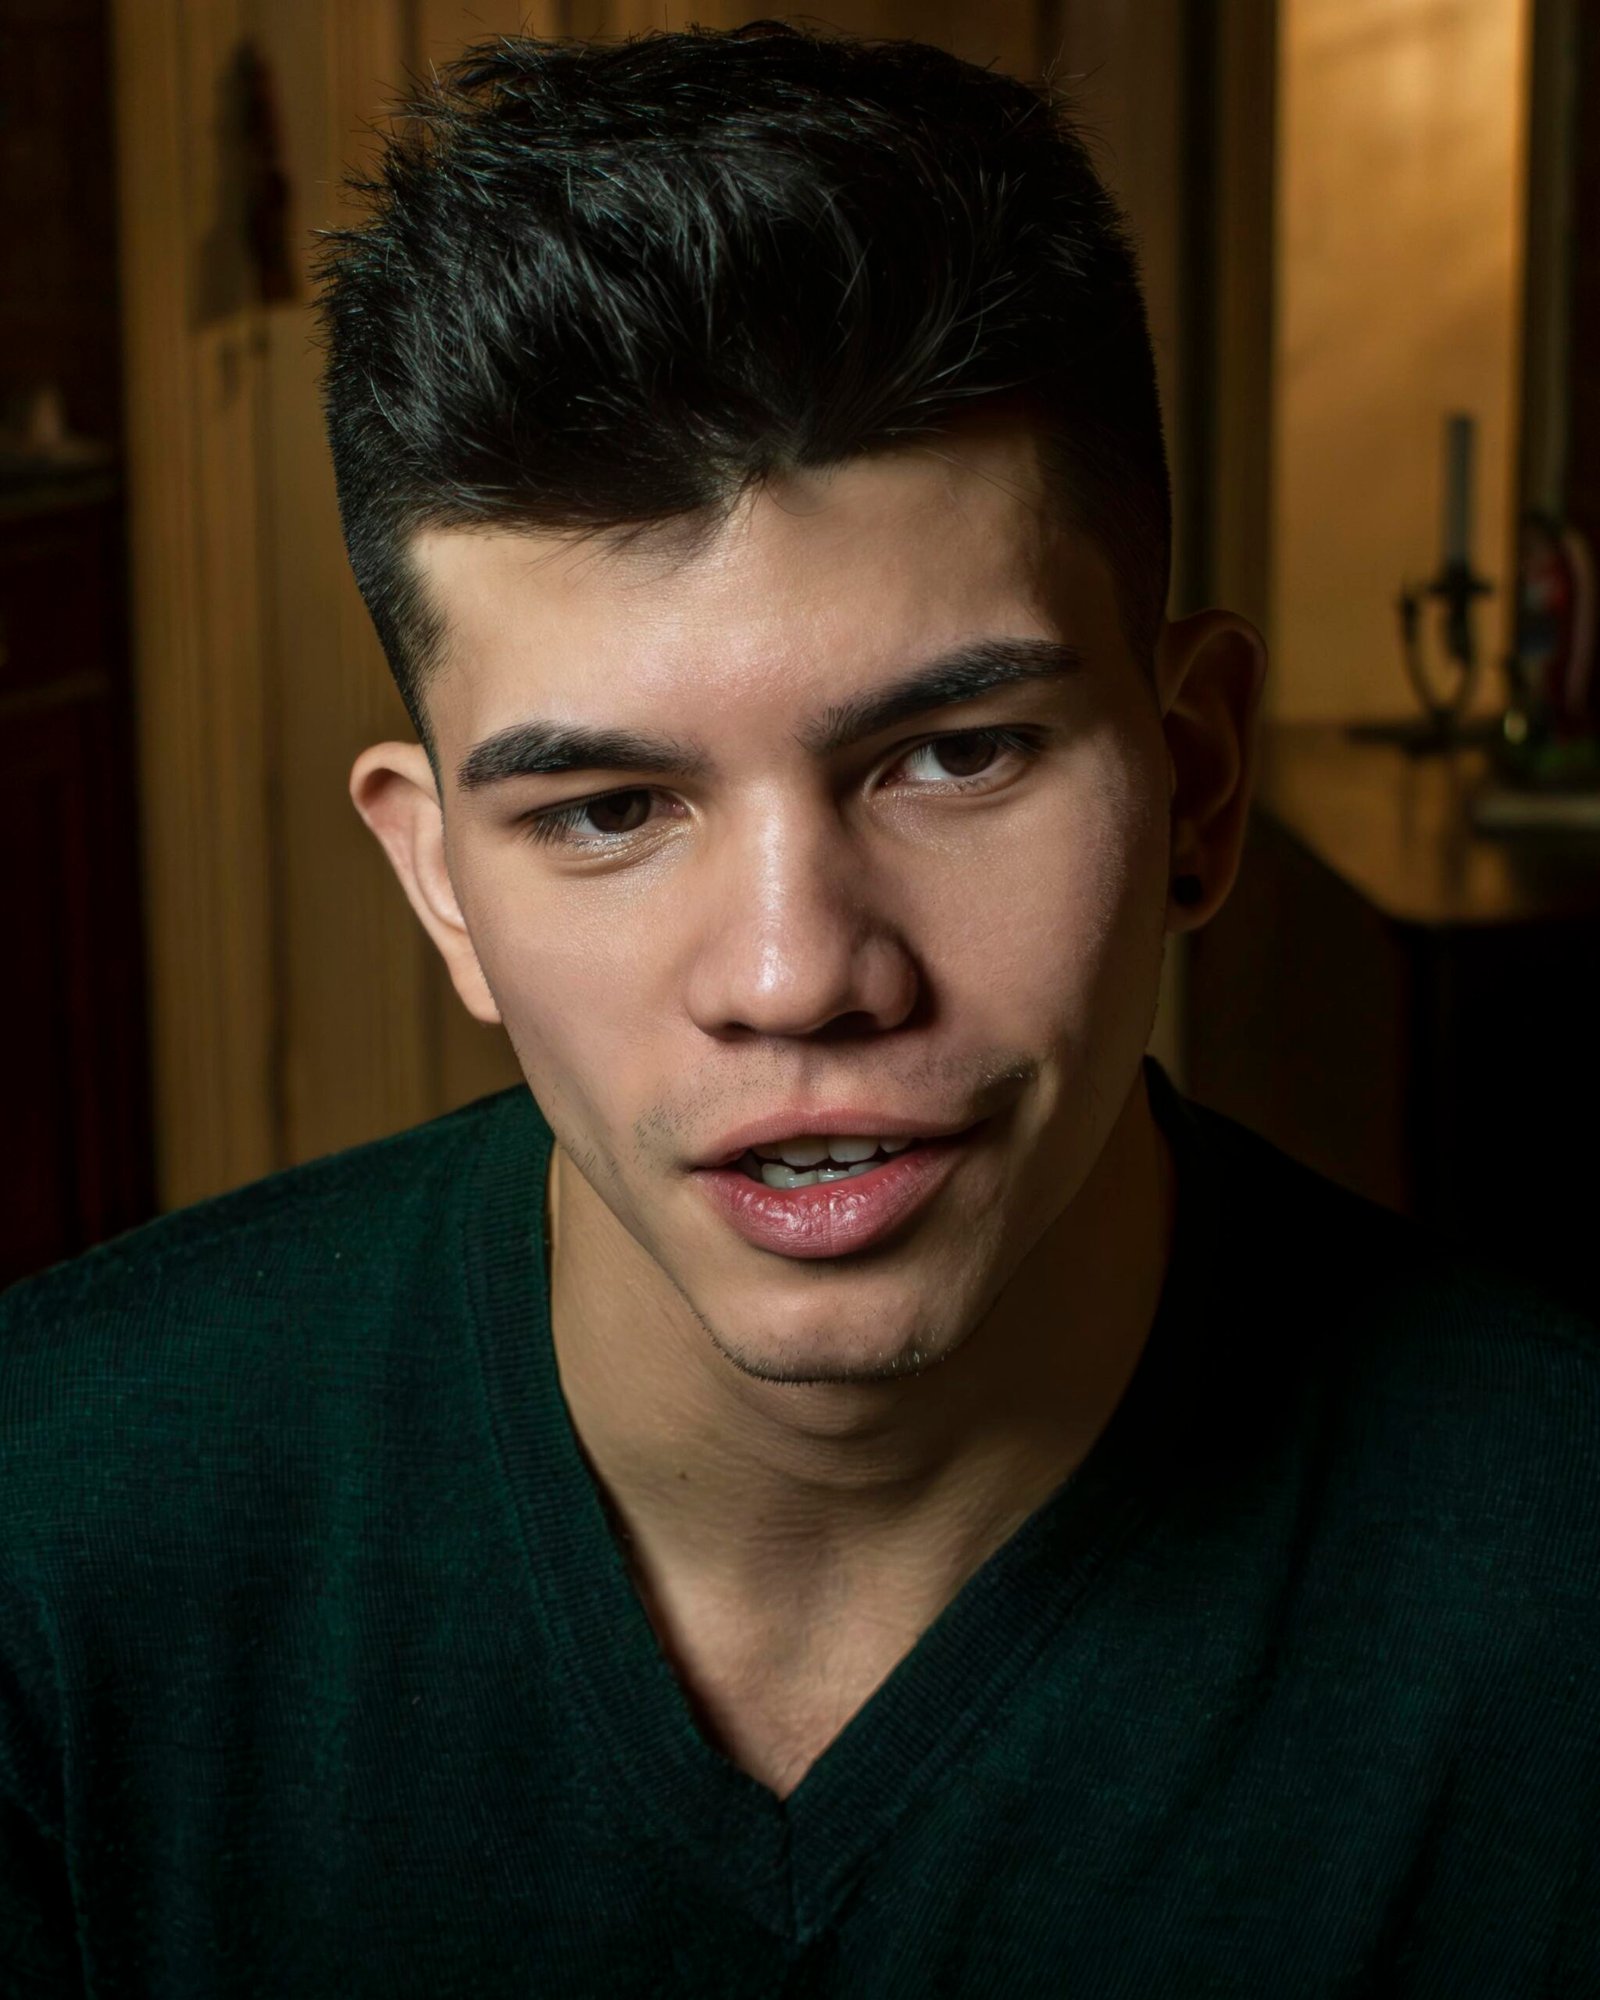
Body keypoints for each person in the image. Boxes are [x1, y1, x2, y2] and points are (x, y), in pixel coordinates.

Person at [3, 22, 1596, 1996]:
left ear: (1194, 778)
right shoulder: (47, 1536)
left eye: (954, 756)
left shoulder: (1559, 1575)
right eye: (607, 809)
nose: (796, 976)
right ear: (440, 884)